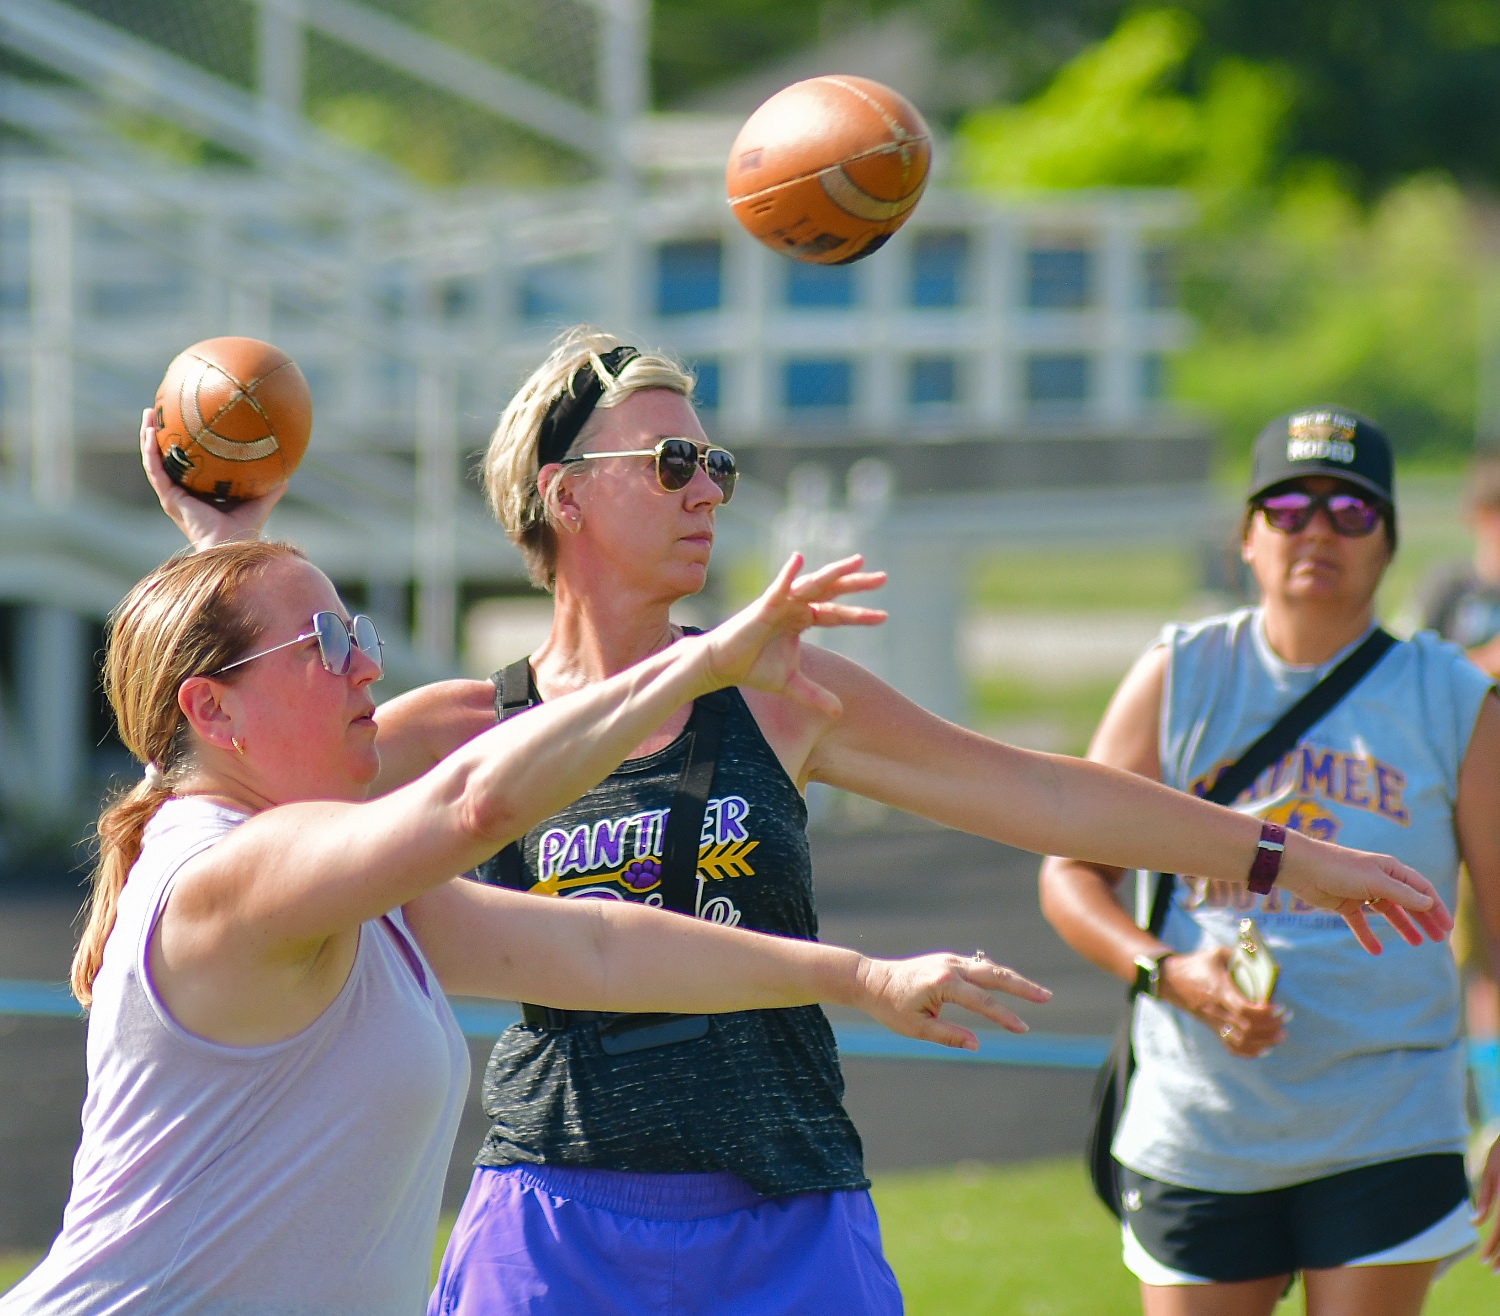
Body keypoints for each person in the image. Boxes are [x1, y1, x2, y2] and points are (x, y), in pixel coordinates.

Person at [148, 337, 1452, 1316]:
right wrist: (213, 544)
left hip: (787, 1207)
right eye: (670, 462)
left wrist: (1288, 856)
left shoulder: (779, 688)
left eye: (714, 459)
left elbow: (1044, 794)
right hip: (556, 1215)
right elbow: (228, 757)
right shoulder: (454, 733)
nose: (708, 484)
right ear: (564, 495)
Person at [4, 539, 1063, 1315]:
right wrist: (696, 666)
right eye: (329, 641)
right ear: (211, 712)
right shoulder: (223, 877)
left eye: (360, 632)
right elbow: (472, 806)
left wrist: (858, 976)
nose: (367, 665)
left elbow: (597, 945)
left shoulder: (329, 889)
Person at [1039, 408, 1500, 1316]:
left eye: (1351, 510)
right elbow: (1068, 872)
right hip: (1200, 1122)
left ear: (1390, 543)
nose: (1318, 529)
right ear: (1246, 539)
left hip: (1388, 1119)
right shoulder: (1181, 673)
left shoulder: (1455, 697)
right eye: (1288, 506)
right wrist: (1171, 975)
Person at [1414, 450, 1500, 1136]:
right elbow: (1414, 678)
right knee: (1469, 961)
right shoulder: (1455, 590)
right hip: (1467, 804)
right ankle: (1487, 1107)